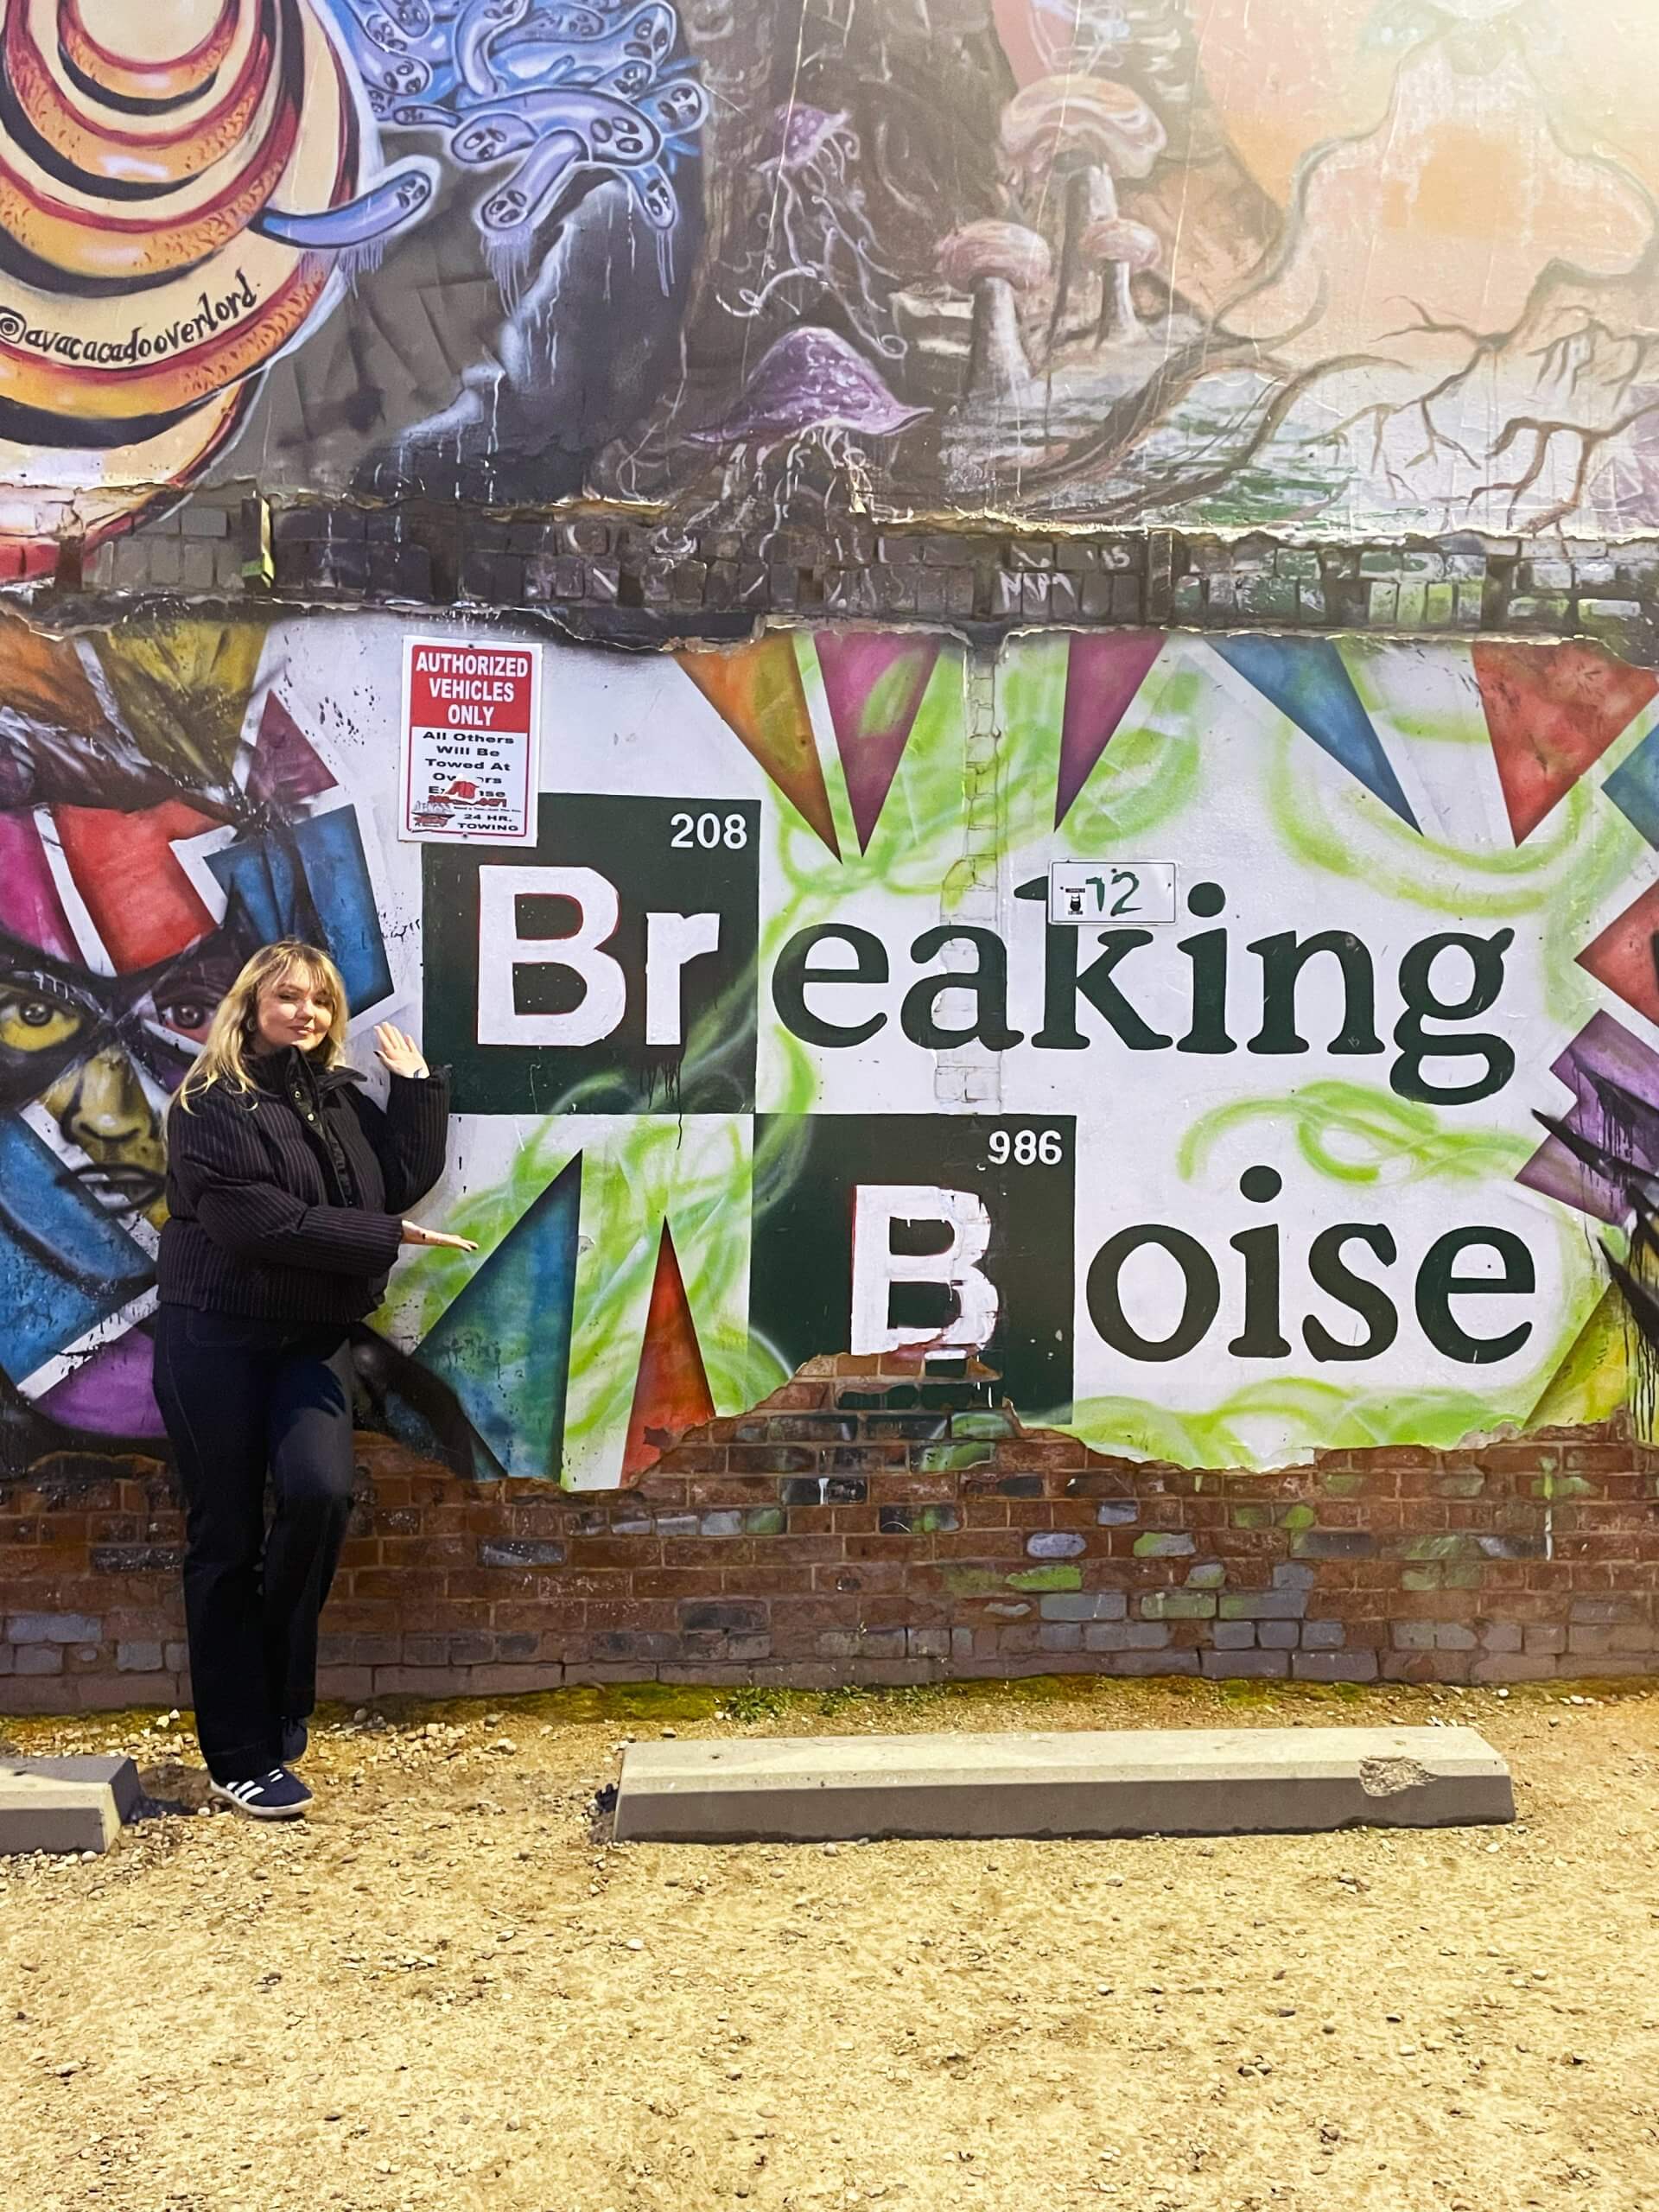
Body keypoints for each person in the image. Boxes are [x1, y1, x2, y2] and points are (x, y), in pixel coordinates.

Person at [155, 938, 476, 1820]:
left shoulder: (335, 1097)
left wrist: (415, 1091)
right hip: (213, 1342)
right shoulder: (208, 1103)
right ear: (251, 1005)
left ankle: (280, 1689)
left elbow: (394, 1181)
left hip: (312, 1339)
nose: (307, 1013)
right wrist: (389, 1241)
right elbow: (258, 1222)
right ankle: (240, 1753)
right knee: (223, 1540)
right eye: (289, 997)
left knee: (320, 1494)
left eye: (322, 1001)